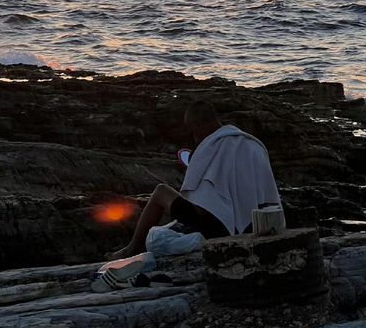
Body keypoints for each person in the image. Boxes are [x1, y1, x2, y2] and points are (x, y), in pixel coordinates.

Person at [108, 99, 281, 259]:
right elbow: (268, 198)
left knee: (161, 191)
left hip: (217, 229)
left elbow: (202, 207)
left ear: (200, 124)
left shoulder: (207, 148)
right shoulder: (253, 145)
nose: (194, 137)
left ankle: (132, 249)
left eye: (193, 130)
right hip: (253, 225)